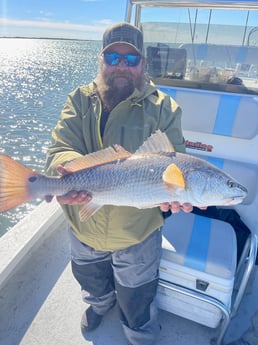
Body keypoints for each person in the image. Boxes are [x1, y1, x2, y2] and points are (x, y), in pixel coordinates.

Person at [45, 22, 194, 345]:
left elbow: (175, 162)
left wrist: (173, 195)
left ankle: (137, 329)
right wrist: (69, 171)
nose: (122, 65)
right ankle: (100, 304)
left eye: (131, 58)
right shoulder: (79, 100)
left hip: (137, 230)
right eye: (113, 58)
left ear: (143, 64)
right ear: (100, 61)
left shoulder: (165, 108)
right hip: (85, 219)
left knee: (137, 289)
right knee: (89, 275)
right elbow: (60, 148)